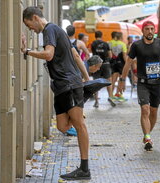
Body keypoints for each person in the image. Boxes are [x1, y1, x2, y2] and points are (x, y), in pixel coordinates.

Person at [21, 7, 91, 180]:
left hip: (69, 84)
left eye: (29, 25)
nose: (30, 29)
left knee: (79, 124)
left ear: (35, 17)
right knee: (61, 126)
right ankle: (79, 110)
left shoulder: (49, 30)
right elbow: (74, 54)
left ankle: (84, 168)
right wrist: (87, 78)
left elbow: (48, 54)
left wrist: (27, 51)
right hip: (62, 86)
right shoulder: (58, 30)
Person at [118, 21, 160, 151]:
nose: (150, 31)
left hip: (157, 83)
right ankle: (148, 137)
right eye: (147, 29)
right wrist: (122, 79)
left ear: (155, 30)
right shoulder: (136, 45)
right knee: (145, 109)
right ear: (143, 31)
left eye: (152, 29)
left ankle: (147, 133)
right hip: (143, 83)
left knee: (153, 111)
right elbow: (128, 62)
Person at [91, 31, 116, 107]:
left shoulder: (93, 43)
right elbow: (110, 55)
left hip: (96, 64)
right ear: (102, 36)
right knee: (108, 81)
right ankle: (110, 97)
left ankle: (96, 102)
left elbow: (92, 54)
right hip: (105, 64)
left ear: (95, 36)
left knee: (96, 82)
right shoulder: (106, 43)